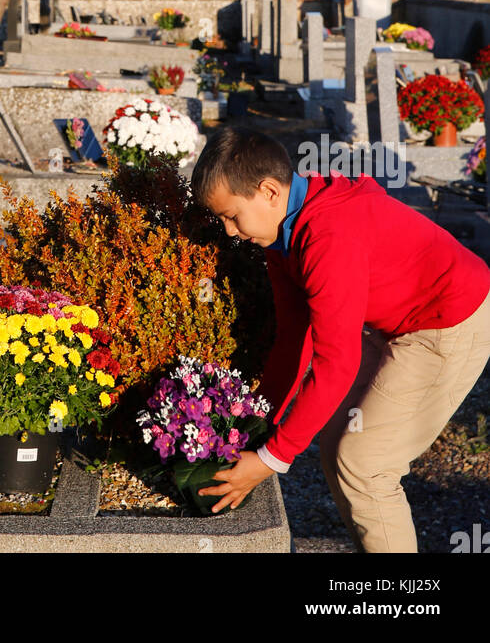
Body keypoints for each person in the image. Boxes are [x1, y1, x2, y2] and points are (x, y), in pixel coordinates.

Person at [190, 124, 490, 552]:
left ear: (270, 192)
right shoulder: (282, 232)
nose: (230, 233)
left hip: (448, 319)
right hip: (398, 320)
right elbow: (294, 337)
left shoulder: (327, 234)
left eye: (231, 216)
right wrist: (258, 424)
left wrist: (271, 459)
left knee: (366, 464)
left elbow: (336, 362)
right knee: (336, 440)